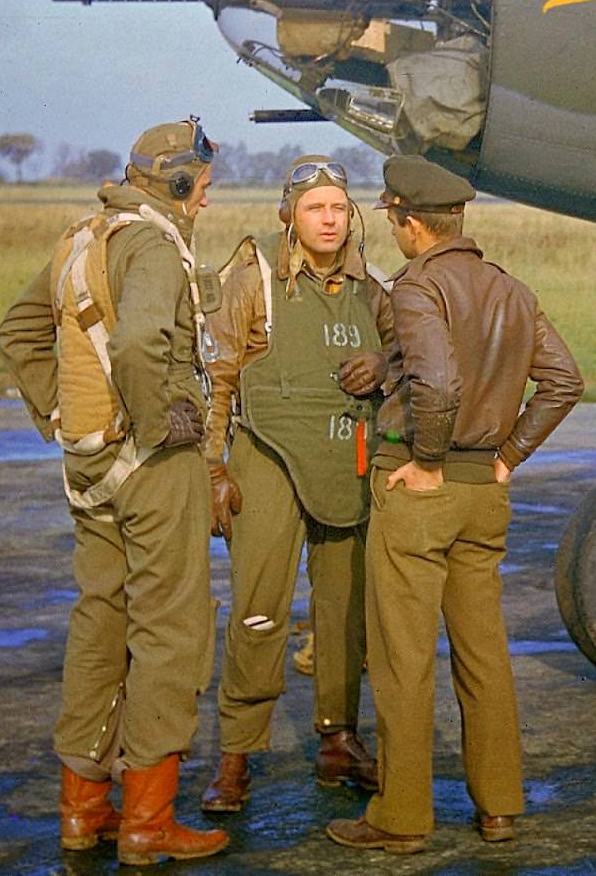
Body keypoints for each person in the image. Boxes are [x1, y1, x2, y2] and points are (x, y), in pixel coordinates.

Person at [327, 156, 583, 855]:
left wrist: (429, 463)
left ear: (410, 222)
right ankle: (498, 806)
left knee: (403, 658)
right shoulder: (510, 288)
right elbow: (564, 380)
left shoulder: (418, 285)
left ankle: (401, 816)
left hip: (423, 492)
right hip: (485, 498)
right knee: (484, 654)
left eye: (393, 219)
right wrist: (507, 458)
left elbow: (436, 383)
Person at [0, 118, 229, 865]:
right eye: (204, 184)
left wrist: (61, 415)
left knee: (100, 622)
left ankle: (82, 810)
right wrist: (158, 427)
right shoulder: (155, 244)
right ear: (182, 182)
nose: (208, 200)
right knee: (170, 631)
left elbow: (20, 331)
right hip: (154, 468)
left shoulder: (82, 237)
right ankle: (146, 824)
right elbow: (136, 345)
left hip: (89, 466)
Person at [199, 155, 395, 812]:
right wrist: (213, 469)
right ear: (290, 214)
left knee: (345, 612)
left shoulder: (375, 288)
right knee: (258, 610)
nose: (330, 219)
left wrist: (385, 362)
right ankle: (236, 755)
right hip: (268, 460)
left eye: (339, 207)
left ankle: (339, 739)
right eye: (316, 207)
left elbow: (413, 356)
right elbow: (219, 376)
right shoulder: (252, 279)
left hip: (347, 460)